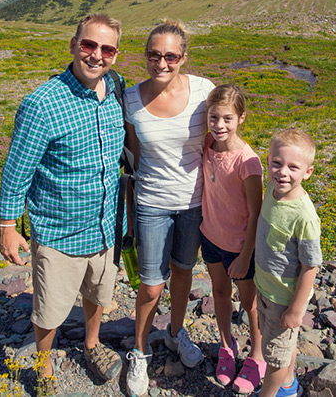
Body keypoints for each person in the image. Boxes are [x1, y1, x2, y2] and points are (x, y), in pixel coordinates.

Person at [0, 13, 126, 387]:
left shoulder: (115, 88)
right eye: (88, 45)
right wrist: (7, 226)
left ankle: (91, 343)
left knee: (99, 293)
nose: (96, 55)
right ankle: (44, 362)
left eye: (107, 49)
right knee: (50, 308)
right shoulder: (43, 103)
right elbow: (17, 169)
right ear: (73, 45)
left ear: (115, 55)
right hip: (59, 230)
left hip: (105, 227)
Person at [124, 20, 214, 397]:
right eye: (154, 55)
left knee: (183, 273)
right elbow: (131, 157)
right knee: (150, 284)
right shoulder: (129, 98)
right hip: (151, 203)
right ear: (146, 56)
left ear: (183, 57)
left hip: (193, 202)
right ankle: (139, 351)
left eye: (170, 56)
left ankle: (177, 333)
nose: (162, 63)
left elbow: (216, 142)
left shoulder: (204, 91)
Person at [200, 84, 266, 393]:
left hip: (240, 247)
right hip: (210, 238)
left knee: (250, 302)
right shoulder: (207, 146)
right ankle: (227, 345)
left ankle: (257, 355)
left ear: (241, 118)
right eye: (214, 117)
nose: (220, 125)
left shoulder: (248, 162)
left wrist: (244, 254)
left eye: (227, 118)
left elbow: (256, 214)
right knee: (220, 294)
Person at [254, 129, 322, 397]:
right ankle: (287, 387)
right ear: (267, 160)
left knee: (274, 358)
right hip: (266, 286)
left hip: (285, 296)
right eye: (277, 163)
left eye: (293, 167)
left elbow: (310, 266)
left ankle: (267, 394)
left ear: (308, 172)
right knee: (281, 345)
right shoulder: (271, 188)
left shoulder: (304, 217)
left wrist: (296, 310)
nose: (282, 172)